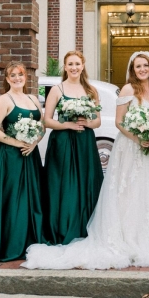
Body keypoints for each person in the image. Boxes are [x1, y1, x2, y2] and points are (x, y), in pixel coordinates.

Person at [23, 52, 149, 269]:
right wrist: (139, 139)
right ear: (132, 69)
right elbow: (119, 122)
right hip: (133, 149)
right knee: (131, 193)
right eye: (137, 66)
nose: (142, 69)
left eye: (145, 65)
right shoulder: (127, 89)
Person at [0, 62, 47, 263]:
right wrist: (17, 142)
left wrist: (34, 142)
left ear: (26, 77)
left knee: (31, 198)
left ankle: (30, 240)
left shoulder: (33, 98)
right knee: (13, 199)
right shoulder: (4, 100)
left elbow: (41, 126)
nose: (17, 78)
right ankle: (11, 243)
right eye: (12, 75)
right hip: (10, 158)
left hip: (29, 155)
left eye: (20, 75)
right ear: (7, 79)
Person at [42, 50, 104, 245]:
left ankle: (85, 226)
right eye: (70, 64)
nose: (74, 67)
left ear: (83, 65)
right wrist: (67, 125)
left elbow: (98, 122)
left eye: (77, 64)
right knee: (64, 185)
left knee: (85, 182)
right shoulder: (57, 90)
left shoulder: (91, 90)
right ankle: (62, 227)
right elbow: (47, 120)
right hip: (62, 143)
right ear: (65, 67)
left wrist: (86, 122)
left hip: (84, 142)